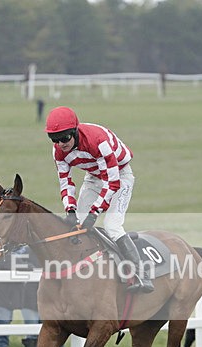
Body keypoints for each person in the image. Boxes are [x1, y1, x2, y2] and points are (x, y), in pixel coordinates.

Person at [44, 105, 153, 293]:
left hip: (119, 175)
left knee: (112, 226)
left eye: (64, 137)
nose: (61, 143)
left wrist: (94, 214)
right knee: (76, 224)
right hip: (93, 177)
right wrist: (70, 210)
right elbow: (66, 183)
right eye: (54, 139)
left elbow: (112, 184)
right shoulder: (58, 152)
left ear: (75, 131)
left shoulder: (98, 141)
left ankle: (142, 275)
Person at [0, 246, 64, 347]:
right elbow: (17, 264)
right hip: (0, 301)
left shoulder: (2, 254)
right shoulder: (5, 256)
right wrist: (30, 266)